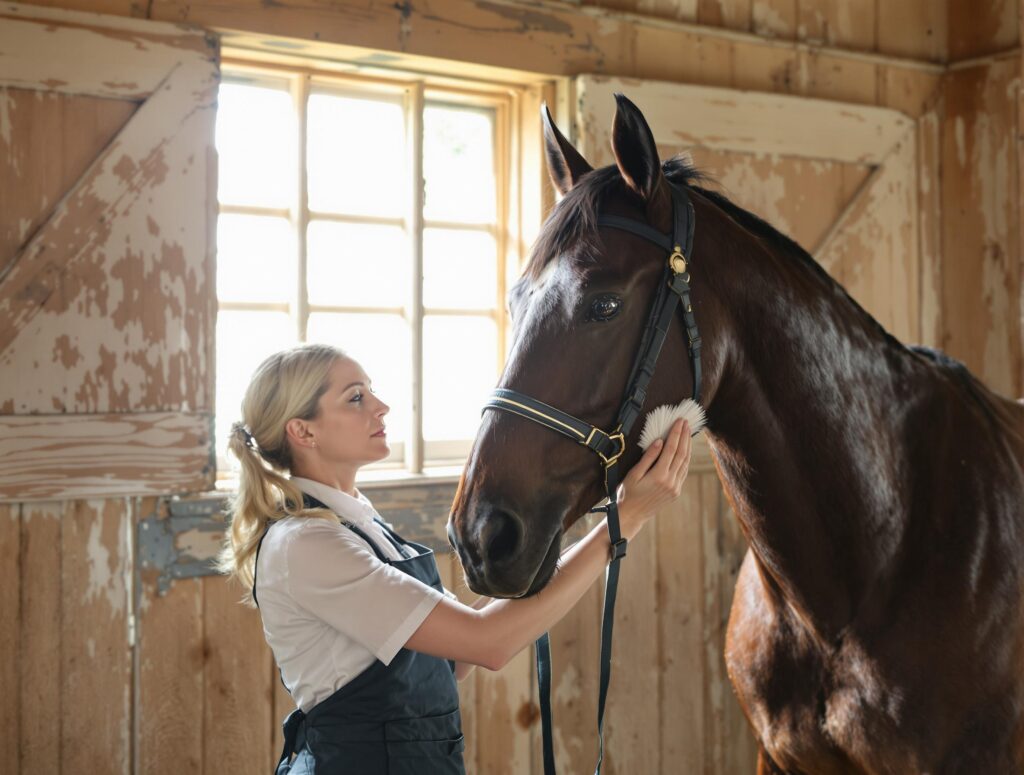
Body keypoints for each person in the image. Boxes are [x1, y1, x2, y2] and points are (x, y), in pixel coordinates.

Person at [218, 343, 692, 775]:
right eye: (355, 398)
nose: (381, 407)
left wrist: (604, 523)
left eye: (372, 392)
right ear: (302, 431)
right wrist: (622, 523)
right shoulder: (306, 545)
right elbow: (488, 643)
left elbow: (457, 658)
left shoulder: (362, 526)